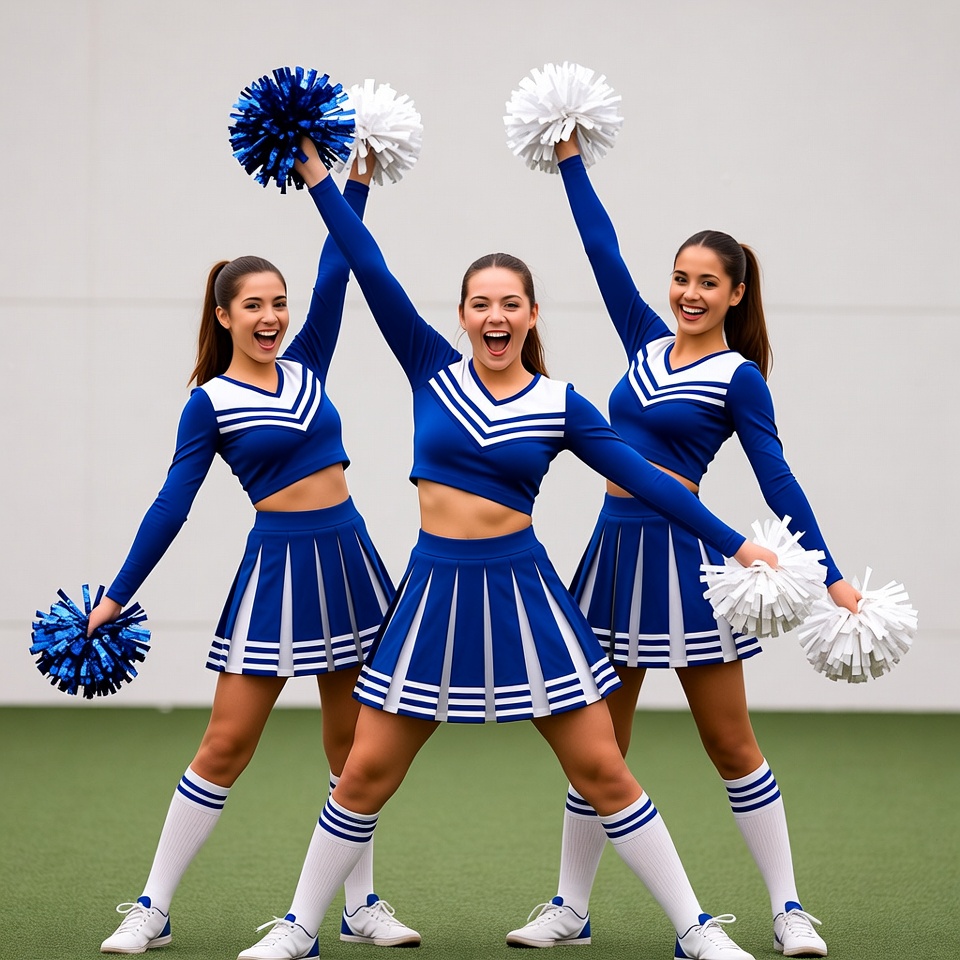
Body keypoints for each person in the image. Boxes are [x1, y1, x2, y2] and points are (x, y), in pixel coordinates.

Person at [235, 135, 780, 960]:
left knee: (603, 768)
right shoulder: (428, 368)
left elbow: (651, 477)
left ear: (531, 316)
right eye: (481, 304)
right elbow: (365, 261)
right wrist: (323, 176)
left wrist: (736, 544)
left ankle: (696, 930)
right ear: (461, 316)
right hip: (432, 593)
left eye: (511, 304)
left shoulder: (562, 401)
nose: (496, 317)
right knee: (366, 772)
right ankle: (301, 926)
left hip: (526, 595)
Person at [503, 131, 861, 958]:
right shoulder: (641, 342)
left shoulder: (740, 377)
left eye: (707, 284)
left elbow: (778, 481)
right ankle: (571, 907)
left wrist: (832, 575)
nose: (688, 294)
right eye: (681, 279)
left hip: (690, 567)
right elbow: (601, 251)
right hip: (611, 558)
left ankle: (788, 910)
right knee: (601, 742)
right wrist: (568, 160)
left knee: (729, 741)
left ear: (736, 294)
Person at [90, 162, 420, 954]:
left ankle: (360, 904)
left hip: (349, 565)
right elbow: (173, 503)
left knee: (354, 750)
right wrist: (116, 593)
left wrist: (356, 182)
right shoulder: (209, 400)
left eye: (278, 304)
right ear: (225, 314)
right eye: (254, 306)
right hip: (275, 574)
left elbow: (338, 269)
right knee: (226, 744)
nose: (271, 316)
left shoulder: (309, 362)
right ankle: (152, 906)